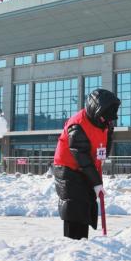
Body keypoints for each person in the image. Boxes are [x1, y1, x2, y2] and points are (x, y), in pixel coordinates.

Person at [52, 88, 120, 240]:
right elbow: (81, 157)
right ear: (96, 109)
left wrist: (109, 134)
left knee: (85, 207)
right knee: (74, 208)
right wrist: (96, 182)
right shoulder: (77, 125)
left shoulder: (103, 124)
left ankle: (83, 245)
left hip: (84, 170)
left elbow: (103, 150)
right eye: (104, 117)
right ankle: (72, 245)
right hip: (68, 169)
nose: (107, 120)